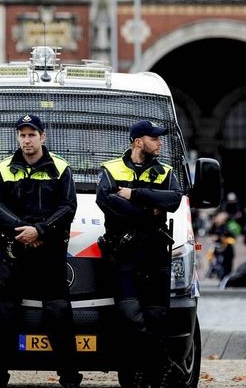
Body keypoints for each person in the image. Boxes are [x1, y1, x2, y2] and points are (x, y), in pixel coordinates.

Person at [0, 114, 82, 388]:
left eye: (32, 134)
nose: (26, 140)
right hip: (15, 254)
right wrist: (24, 231)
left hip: (48, 255)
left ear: (43, 137)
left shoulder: (61, 168)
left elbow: (68, 207)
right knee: (3, 317)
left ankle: (70, 378)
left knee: (59, 316)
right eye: (22, 135)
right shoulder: (4, 169)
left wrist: (40, 230)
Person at [96, 120, 182, 388]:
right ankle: (163, 364)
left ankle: (148, 375)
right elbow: (105, 200)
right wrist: (149, 210)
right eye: (154, 138)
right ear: (137, 142)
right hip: (124, 255)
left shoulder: (166, 172)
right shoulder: (110, 170)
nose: (159, 142)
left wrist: (134, 194)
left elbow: (175, 200)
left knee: (156, 319)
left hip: (156, 255)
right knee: (131, 316)